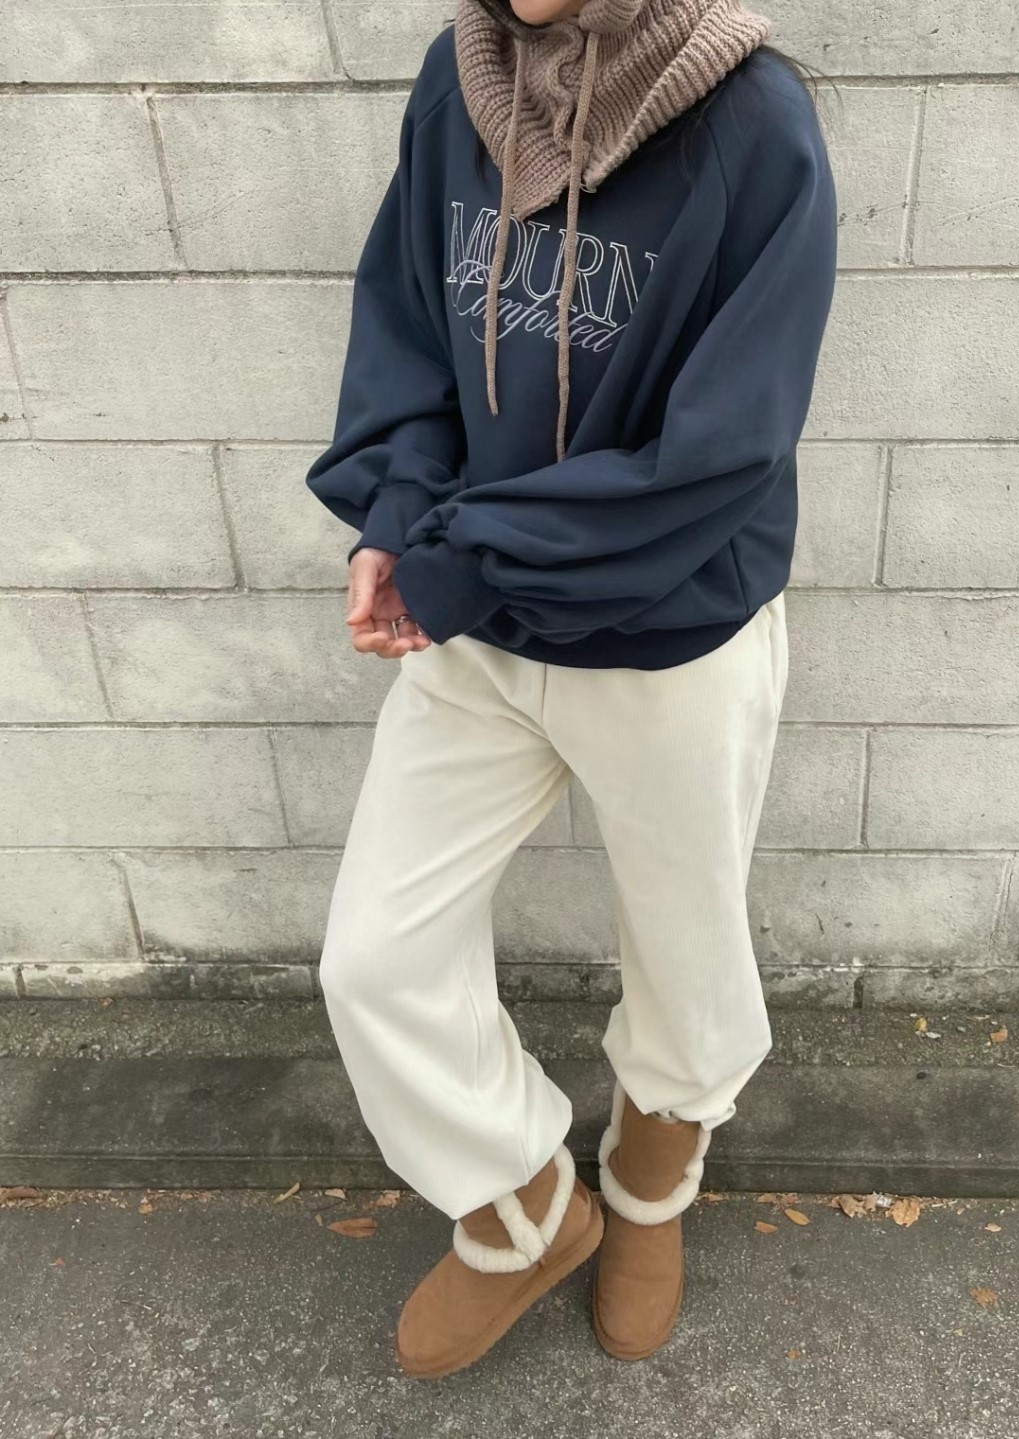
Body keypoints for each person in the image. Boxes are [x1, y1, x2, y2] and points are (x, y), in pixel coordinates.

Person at [306, 0, 837, 1380]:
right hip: (478, 627)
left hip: (671, 638)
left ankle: (651, 1191)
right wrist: (398, 520)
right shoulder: (464, 78)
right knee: (375, 959)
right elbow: (410, 330)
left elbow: (722, 450)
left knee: (688, 955)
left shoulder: (750, 117)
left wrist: (460, 555)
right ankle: (528, 1212)